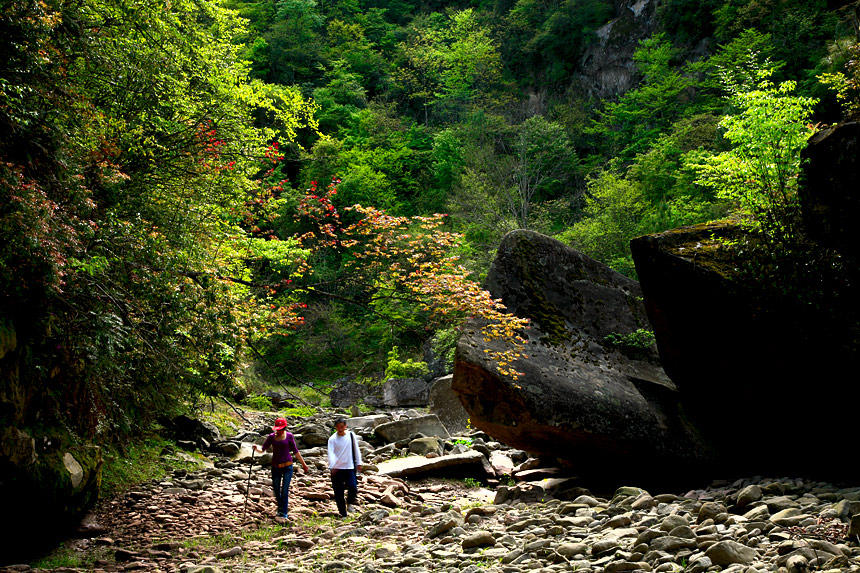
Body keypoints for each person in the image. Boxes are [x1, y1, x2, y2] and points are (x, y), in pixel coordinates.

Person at [254, 417, 309, 521]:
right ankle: (280, 508)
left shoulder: (289, 436)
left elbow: (295, 451)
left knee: (284, 490)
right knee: (276, 489)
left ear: (284, 428)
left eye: (280, 429)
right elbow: (263, 449)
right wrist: (256, 449)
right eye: (277, 429)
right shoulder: (271, 437)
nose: (278, 431)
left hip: (288, 466)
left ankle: (283, 512)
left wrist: (304, 464)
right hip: (275, 467)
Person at [327, 417, 362, 517]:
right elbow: (331, 453)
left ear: (345, 426)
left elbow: (356, 449)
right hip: (337, 469)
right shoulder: (332, 439)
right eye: (338, 427)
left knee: (353, 487)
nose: (340, 429)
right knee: (339, 492)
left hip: (349, 467)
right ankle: (343, 513)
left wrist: (359, 463)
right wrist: (333, 466)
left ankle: (350, 502)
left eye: (342, 426)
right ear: (335, 427)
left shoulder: (351, 435)